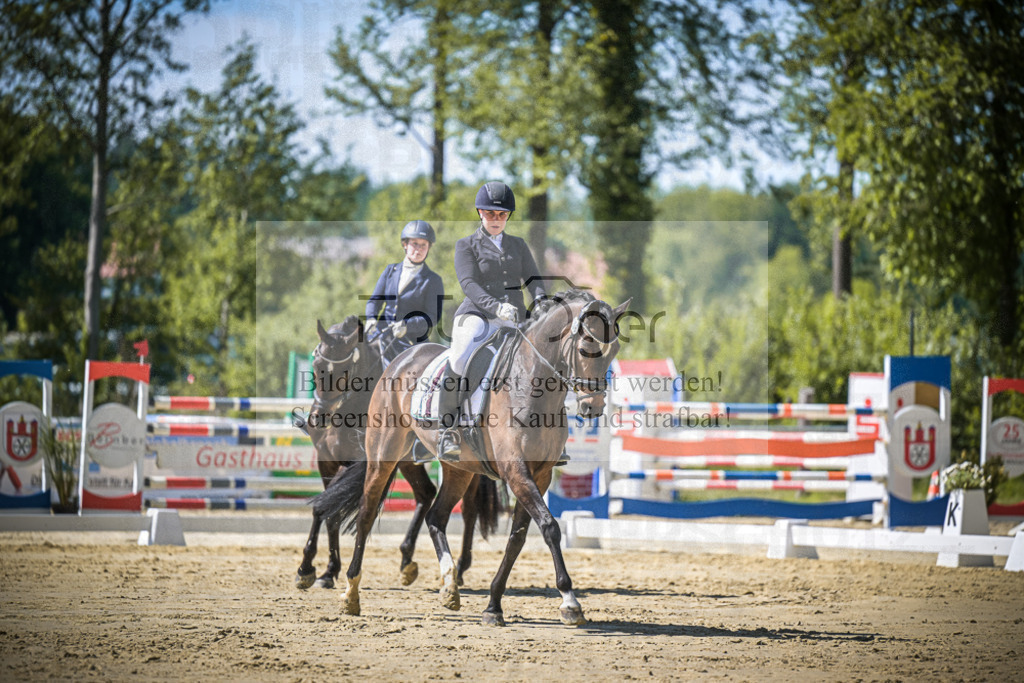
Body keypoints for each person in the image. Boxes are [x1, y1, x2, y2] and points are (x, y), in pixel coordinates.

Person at [436, 181, 547, 460]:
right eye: (490, 213)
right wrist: (496, 307)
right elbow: (469, 284)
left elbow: (533, 281)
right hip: (477, 315)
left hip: (515, 319)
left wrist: (542, 302)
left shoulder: (518, 246)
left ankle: (547, 433)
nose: (496, 219)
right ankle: (447, 429)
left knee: (543, 360)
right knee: (459, 357)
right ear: (480, 213)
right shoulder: (466, 246)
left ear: (508, 216)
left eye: (501, 215)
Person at [364, 220, 445, 366]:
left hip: (410, 342)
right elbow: (374, 301)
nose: (418, 249)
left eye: (423, 245)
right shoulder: (390, 271)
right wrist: (371, 317)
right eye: (414, 244)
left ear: (428, 248)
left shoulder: (433, 280)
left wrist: (407, 325)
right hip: (381, 335)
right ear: (405, 245)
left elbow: (432, 317)